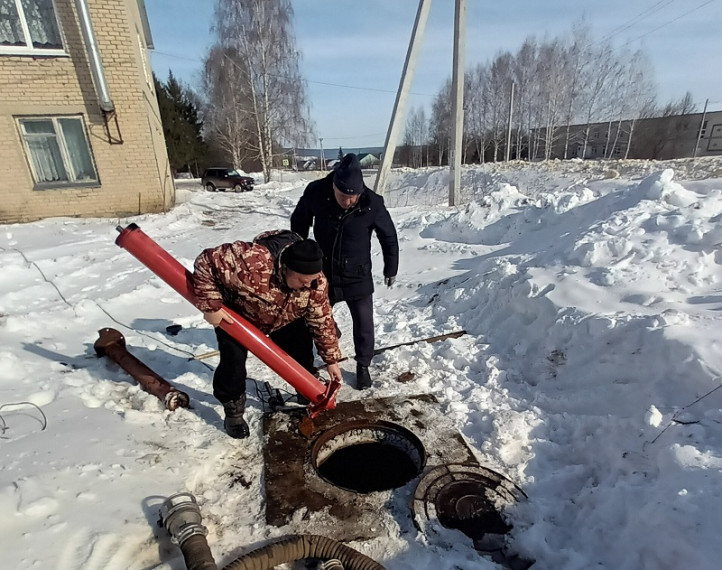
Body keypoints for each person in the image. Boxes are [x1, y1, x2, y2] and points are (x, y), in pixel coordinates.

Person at [192, 230, 343, 438]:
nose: (308, 285)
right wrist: (211, 306)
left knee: (301, 349)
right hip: (238, 317)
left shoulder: (316, 283)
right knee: (233, 363)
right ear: (286, 269)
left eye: (313, 280)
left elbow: (322, 320)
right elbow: (205, 262)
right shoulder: (251, 262)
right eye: (302, 281)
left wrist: (331, 360)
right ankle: (233, 411)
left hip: (285, 317)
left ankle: (305, 389)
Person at [291, 153, 399, 389]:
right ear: (334, 186)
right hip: (324, 272)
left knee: (363, 322)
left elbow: (388, 236)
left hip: (357, 273)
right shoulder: (317, 191)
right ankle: (325, 343)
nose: (348, 201)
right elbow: (299, 221)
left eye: (353, 197)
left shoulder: (372, 202)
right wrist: (300, 253)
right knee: (312, 316)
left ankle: (363, 365)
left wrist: (391, 267)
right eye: (343, 196)